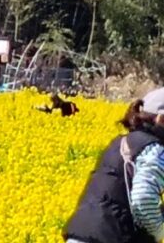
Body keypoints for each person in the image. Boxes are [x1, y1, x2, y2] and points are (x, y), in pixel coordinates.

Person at [64, 89, 164, 243]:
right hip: (110, 235)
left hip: (82, 232)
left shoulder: (121, 142)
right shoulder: (155, 150)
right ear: (161, 119)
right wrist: (159, 232)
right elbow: (144, 197)